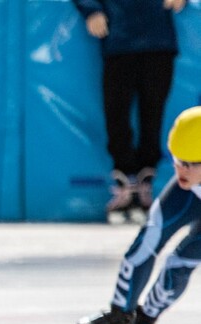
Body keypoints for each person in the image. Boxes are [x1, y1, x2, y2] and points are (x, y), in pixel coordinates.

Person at [74, 106, 201, 324]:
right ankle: (120, 314)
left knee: (181, 262)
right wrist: (120, 311)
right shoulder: (188, 175)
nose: (180, 170)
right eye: (176, 160)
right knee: (146, 241)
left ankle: (146, 317)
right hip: (193, 196)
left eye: (189, 164)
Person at [72, 0, 185, 224]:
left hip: (158, 41)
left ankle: (144, 184)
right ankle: (125, 181)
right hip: (119, 41)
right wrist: (91, 10)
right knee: (116, 115)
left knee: (153, 114)